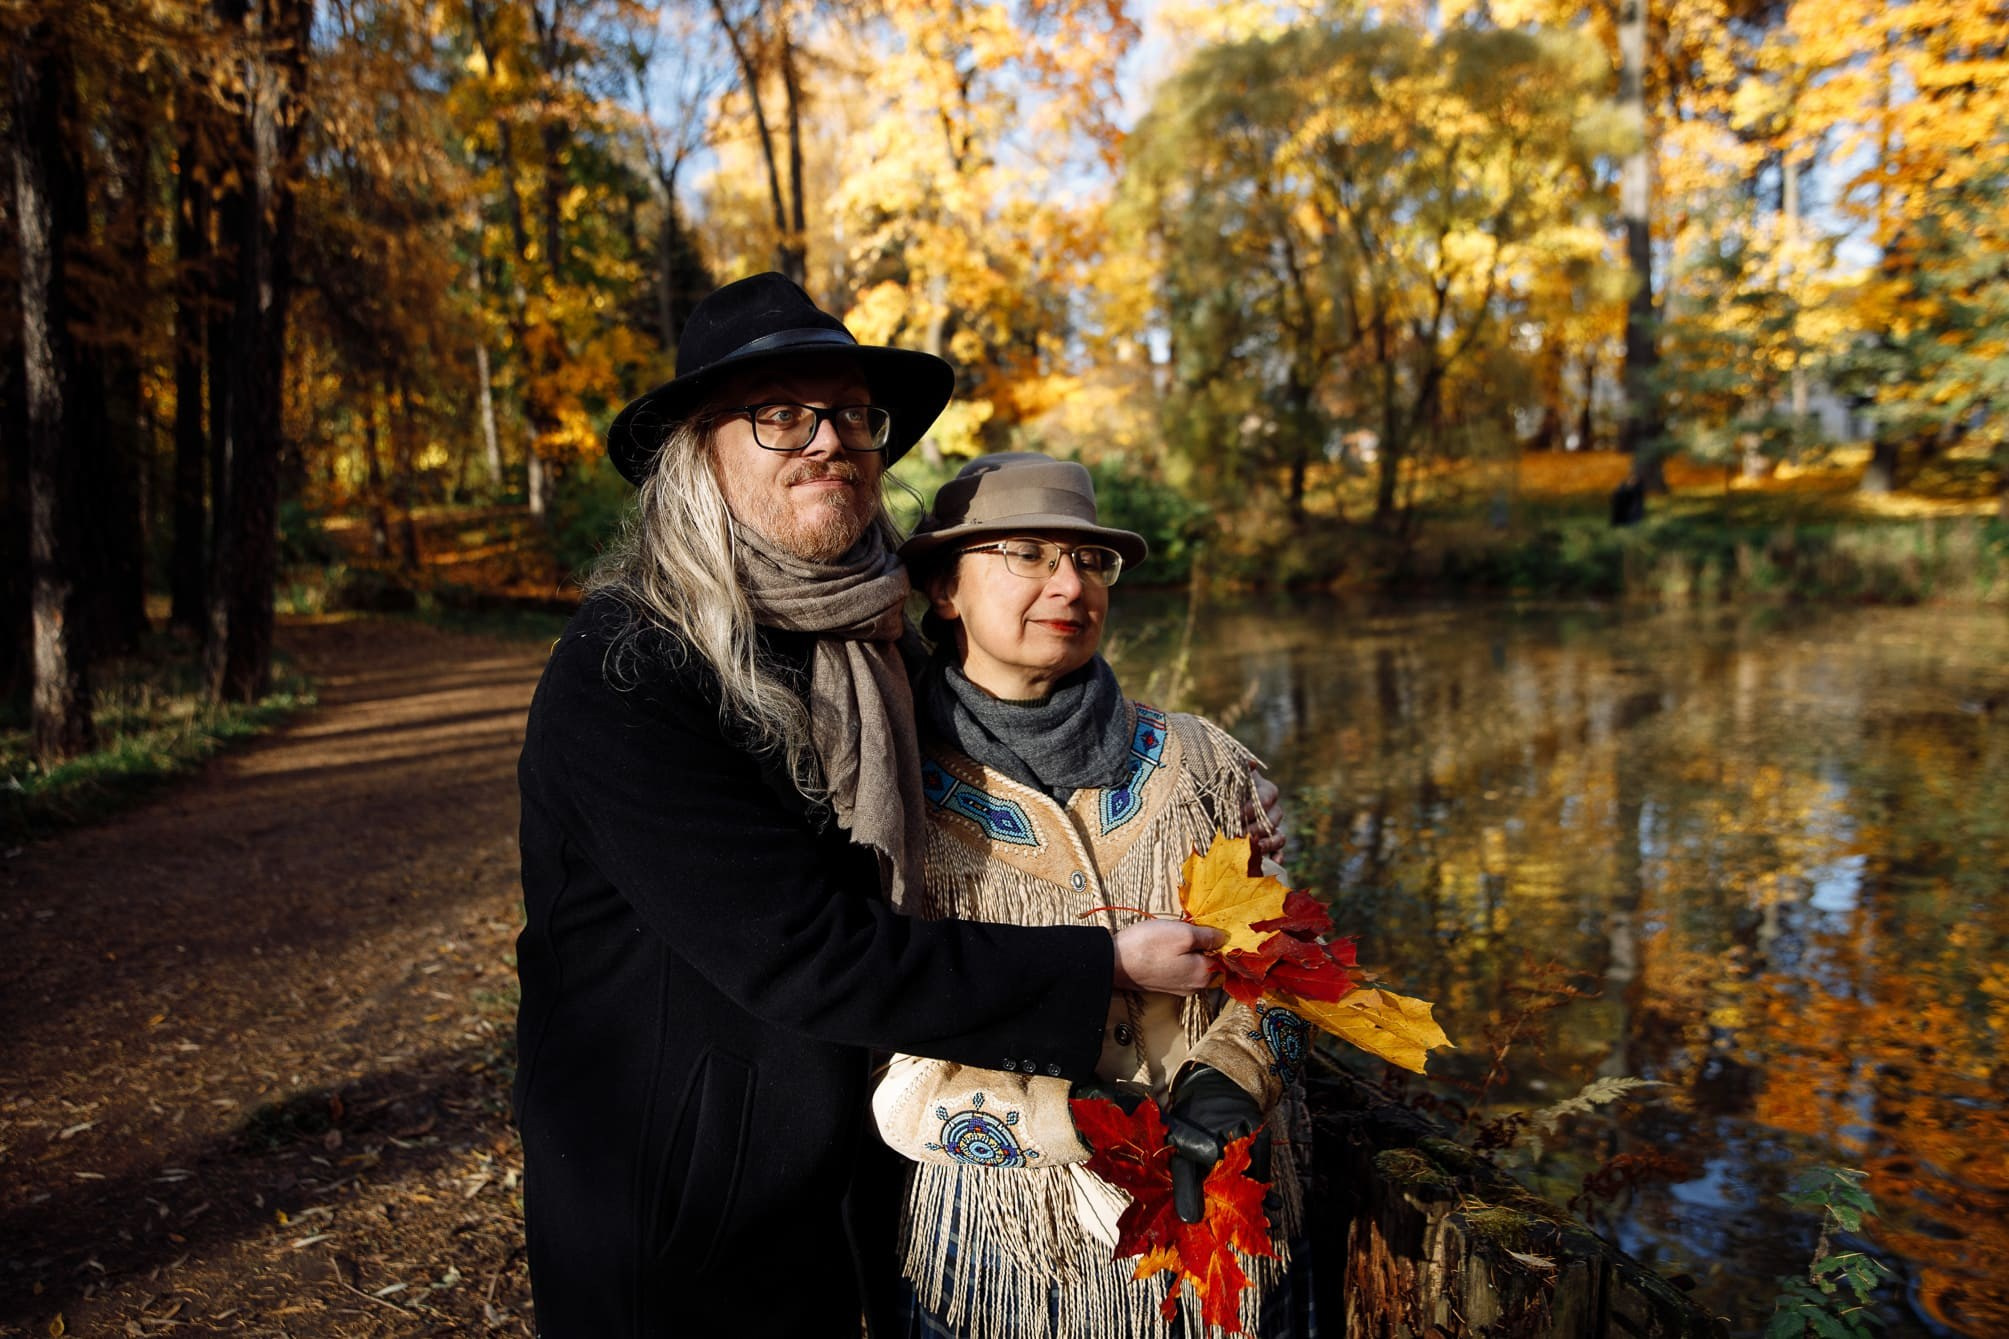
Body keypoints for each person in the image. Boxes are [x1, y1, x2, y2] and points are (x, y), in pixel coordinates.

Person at [512, 274, 1232, 1338]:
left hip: (840, 1181)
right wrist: (1105, 966)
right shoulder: (628, 664)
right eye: (780, 413)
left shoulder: (866, 641)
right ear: (698, 451)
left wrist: (1185, 791)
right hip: (673, 1190)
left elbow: (992, 759)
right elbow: (801, 950)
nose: (830, 441)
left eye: (851, 413)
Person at [871, 455, 1314, 1339]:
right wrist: (1074, 1118)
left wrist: (1233, 1077)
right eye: (1027, 553)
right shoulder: (884, 796)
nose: (1071, 585)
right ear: (943, 589)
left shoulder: (1202, 763)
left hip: (1225, 1249)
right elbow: (877, 1058)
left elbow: (1295, 965)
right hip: (1003, 1263)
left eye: (1088, 559)